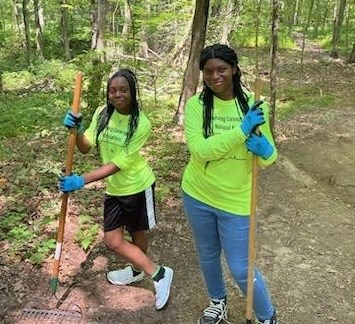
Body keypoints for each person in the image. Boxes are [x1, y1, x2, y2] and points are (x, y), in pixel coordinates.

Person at [59, 68, 173, 310]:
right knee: (113, 240)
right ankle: (152, 271)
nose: (117, 94)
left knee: (137, 231)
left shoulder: (142, 123)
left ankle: (152, 273)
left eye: (123, 90)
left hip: (137, 186)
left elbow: (117, 164)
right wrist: (77, 131)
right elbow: (86, 147)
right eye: (112, 90)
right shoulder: (102, 113)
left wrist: (82, 180)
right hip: (115, 189)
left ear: (133, 92)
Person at [181, 44, 278, 324]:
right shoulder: (196, 105)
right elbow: (200, 151)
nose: (214, 76)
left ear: (234, 69)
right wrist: (241, 130)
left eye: (221, 69)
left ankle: (266, 316)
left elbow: (271, 156)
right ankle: (217, 302)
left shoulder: (254, 103)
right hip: (197, 193)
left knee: (240, 267)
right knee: (208, 253)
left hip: (236, 200)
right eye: (208, 71)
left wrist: (264, 150)